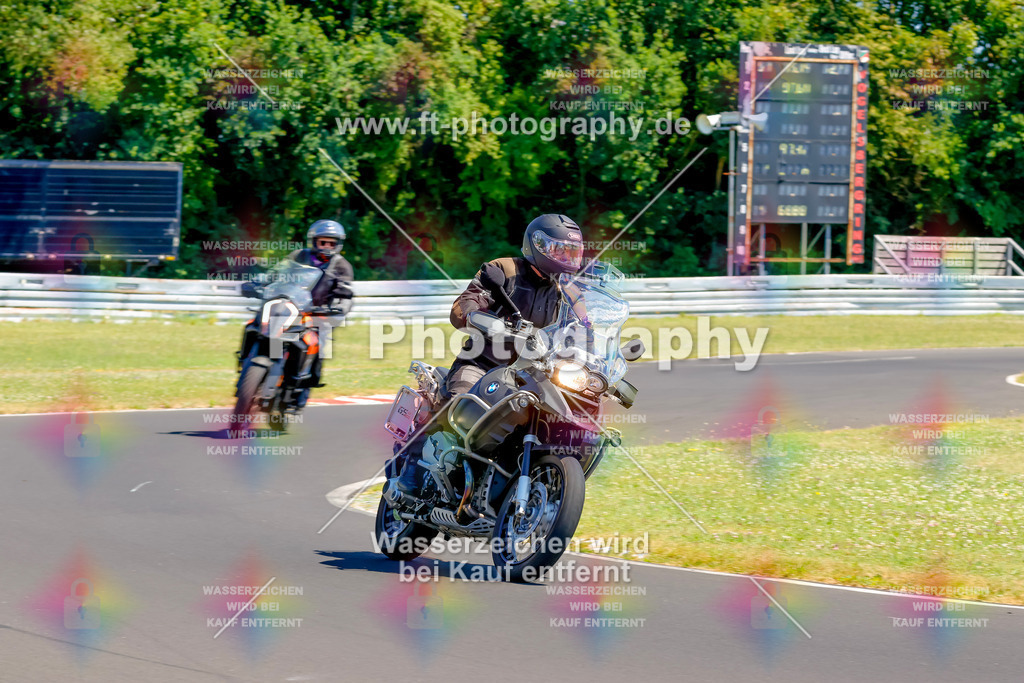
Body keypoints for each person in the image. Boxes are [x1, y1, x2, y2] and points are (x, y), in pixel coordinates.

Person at [393, 213, 584, 496]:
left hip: (533, 375)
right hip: (483, 363)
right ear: (538, 245)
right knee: (461, 407)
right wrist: (477, 317)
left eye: (571, 251)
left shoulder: (568, 291)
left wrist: (600, 353)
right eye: (559, 249)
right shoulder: (504, 270)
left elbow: (585, 329)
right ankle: (412, 468)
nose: (566, 257)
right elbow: (464, 303)